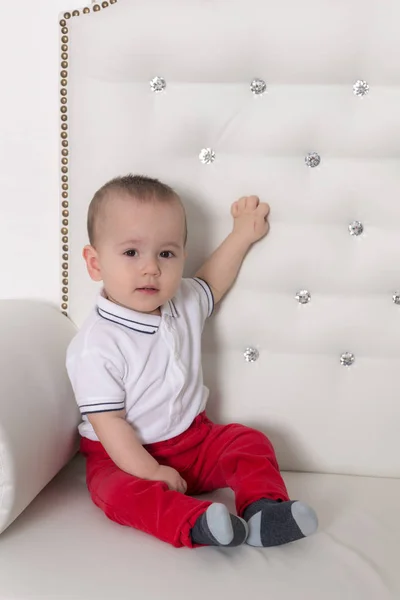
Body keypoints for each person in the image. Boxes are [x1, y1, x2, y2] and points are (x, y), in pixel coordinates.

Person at [66, 174, 318, 549]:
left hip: (193, 439)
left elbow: (213, 281)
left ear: (182, 255)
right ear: (95, 262)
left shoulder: (181, 300)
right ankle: (197, 524)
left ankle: (264, 511)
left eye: (166, 253)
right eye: (131, 252)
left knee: (248, 442)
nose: (151, 267)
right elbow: (110, 424)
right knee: (119, 494)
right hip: (120, 456)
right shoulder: (96, 344)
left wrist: (242, 235)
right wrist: (150, 471)